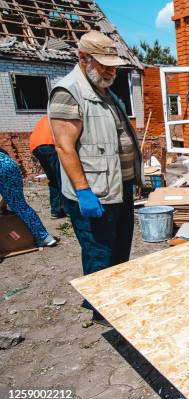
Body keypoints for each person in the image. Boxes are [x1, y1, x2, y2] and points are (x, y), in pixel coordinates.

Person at [48, 31, 143, 325]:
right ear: (83, 58)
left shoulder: (104, 90)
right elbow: (64, 146)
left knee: (120, 244)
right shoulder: (69, 91)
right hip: (94, 191)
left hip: (118, 186)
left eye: (113, 65)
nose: (111, 71)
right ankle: (101, 310)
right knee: (99, 249)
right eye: (104, 65)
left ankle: (112, 297)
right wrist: (83, 190)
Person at [0, 148, 58, 247]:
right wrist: (4, 205)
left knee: (18, 205)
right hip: (9, 165)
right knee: (20, 205)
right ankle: (45, 237)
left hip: (5, 167)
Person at [30, 115, 65, 219]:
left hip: (36, 146)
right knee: (62, 178)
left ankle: (56, 210)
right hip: (49, 144)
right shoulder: (60, 115)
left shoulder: (46, 117)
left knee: (53, 179)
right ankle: (68, 210)